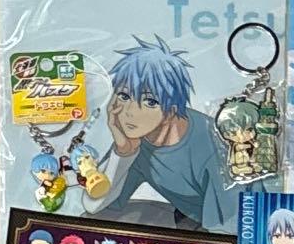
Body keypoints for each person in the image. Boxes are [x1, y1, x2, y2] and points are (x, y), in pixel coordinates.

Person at [86, 36, 238, 232]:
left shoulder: (210, 146)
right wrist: (122, 153)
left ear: (171, 111)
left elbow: (228, 228)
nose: (130, 112)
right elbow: (94, 206)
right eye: (124, 96)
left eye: (150, 102)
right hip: (186, 217)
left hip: (230, 227)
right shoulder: (135, 141)